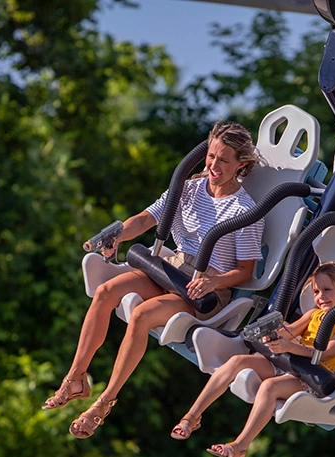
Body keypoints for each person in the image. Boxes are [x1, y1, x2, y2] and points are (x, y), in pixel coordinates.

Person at [42, 121, 265, 440]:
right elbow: (147, 218)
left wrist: (213, 283)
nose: (213, 165)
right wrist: (118, 234)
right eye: (211, 156)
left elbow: (245, 271)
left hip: (202, 288)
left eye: (224, 160)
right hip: (169, 268)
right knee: (106, 291)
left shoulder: (244, 210)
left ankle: (104, 403)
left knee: (141, 315)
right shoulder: (188, 188)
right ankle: (75, 378)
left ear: (241, 165)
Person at [170, 261, 335, 457]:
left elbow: (326, 353)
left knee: (269, 387)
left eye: (327, 290)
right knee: (237, 361)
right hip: (289, 363)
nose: (320, 297)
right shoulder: (314, 314)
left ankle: (239, 447)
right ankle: (192, 417)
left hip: (313, 377)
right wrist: (270, 333)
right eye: (316, 291)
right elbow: (288, 333)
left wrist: (290, 347)